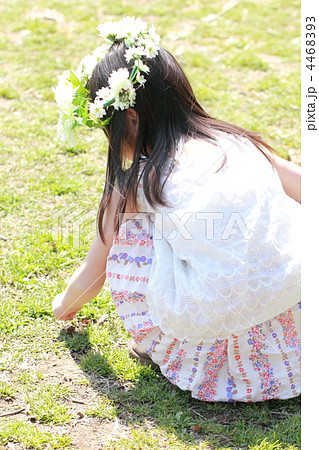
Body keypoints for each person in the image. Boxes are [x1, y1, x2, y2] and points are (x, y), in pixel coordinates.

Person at [52, 17, 301, 403]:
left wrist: (62, 307)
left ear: (130, 118)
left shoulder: (137, 181)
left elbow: (92, 274)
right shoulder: (236, 140)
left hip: (216, 327)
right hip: (294, 302)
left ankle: (164, 345)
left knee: (134, 232)